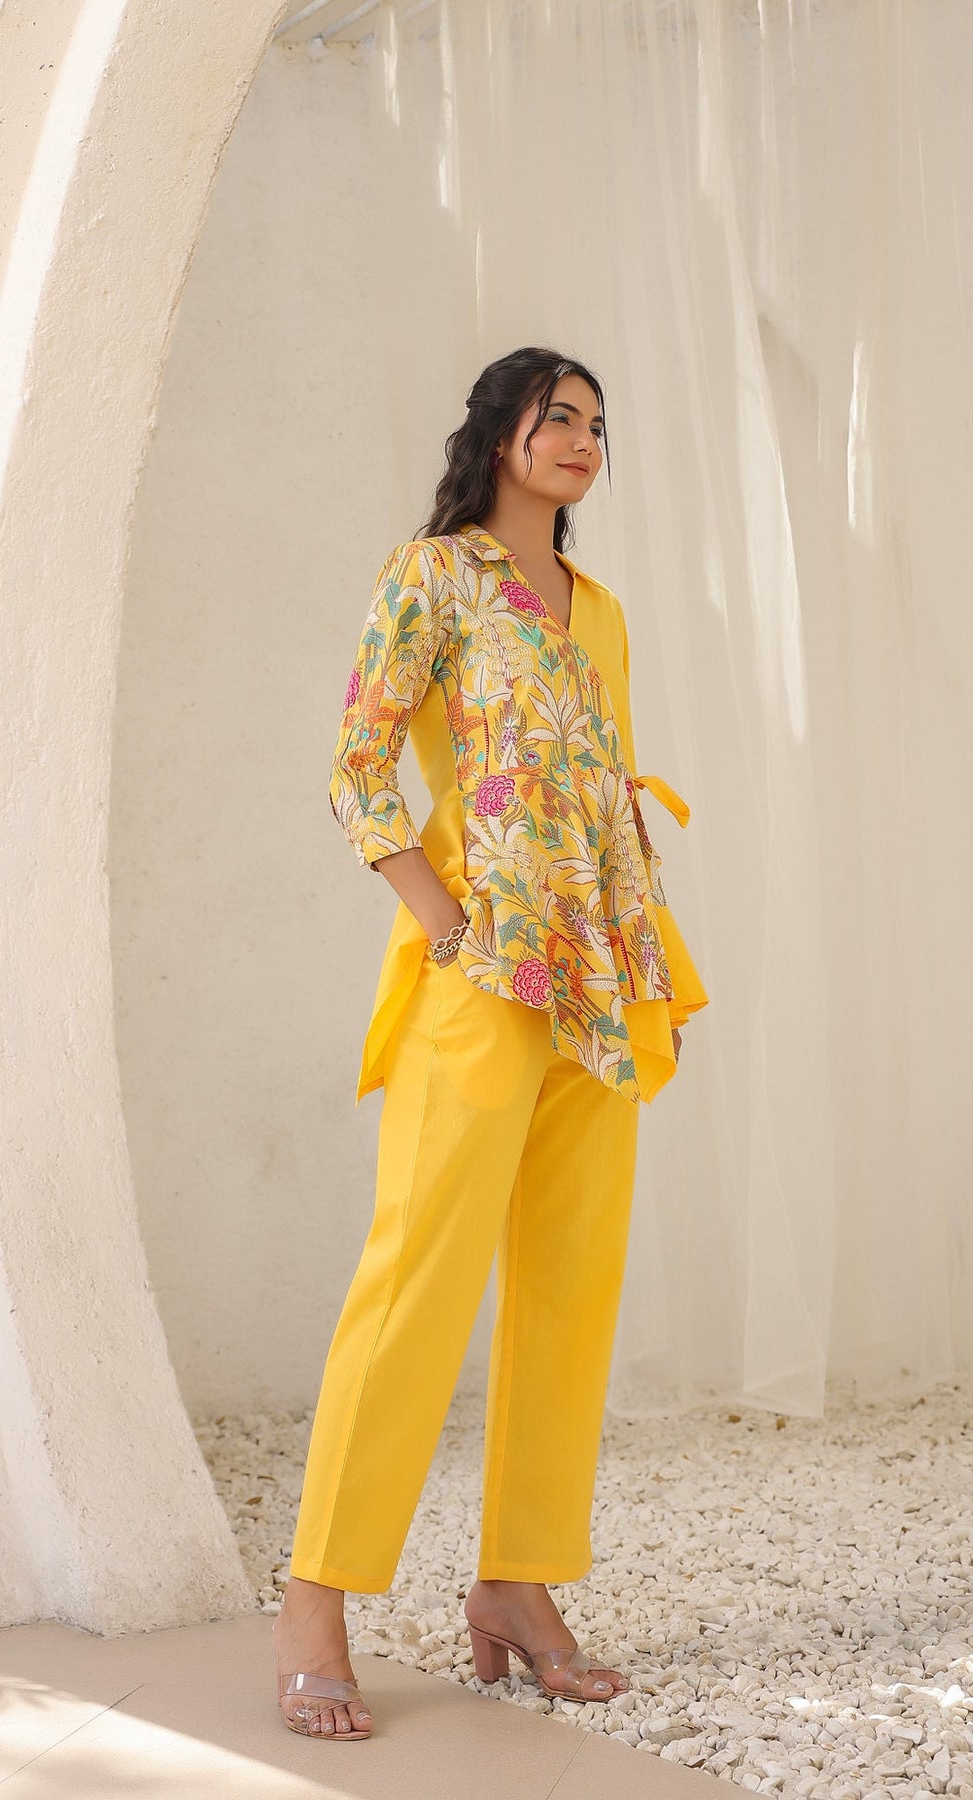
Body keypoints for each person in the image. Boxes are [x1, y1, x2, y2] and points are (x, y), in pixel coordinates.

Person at [273, 347, 709, 1741]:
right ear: (501, 433)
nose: (583, 439)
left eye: (598, 423)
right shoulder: (435, 577)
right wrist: (441, 919)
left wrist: (643, 956)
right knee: (417, 1273)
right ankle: (315, 1604)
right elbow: (358, 766)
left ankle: (518, 1583)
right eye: (559, 416)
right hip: (481, 979)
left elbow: (601, 793)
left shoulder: (603, 610)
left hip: (602, 985)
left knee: (572, 1287)